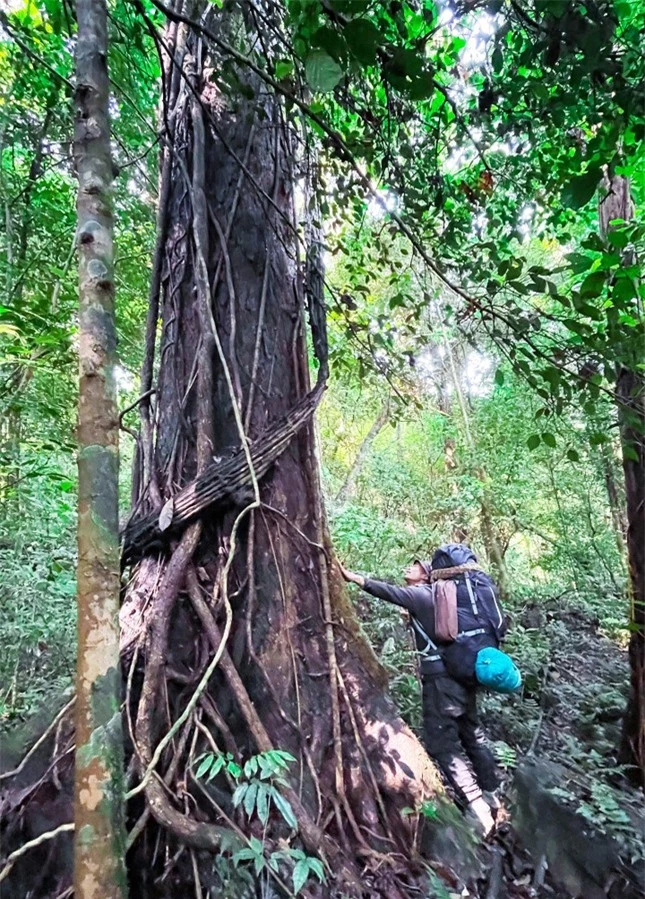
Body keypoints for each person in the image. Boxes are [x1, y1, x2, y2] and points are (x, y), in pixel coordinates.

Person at [339, 548, 501, 836]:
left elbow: (386, 591)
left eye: (416, 566)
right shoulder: (446, 600)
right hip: (464, 675)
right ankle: (491, 795)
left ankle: (478, 810)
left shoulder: (423, 595)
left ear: (427, 576)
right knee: (472, 735)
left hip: (441, 683)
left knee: (443, 746)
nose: (410, 568)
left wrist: (352, 577)